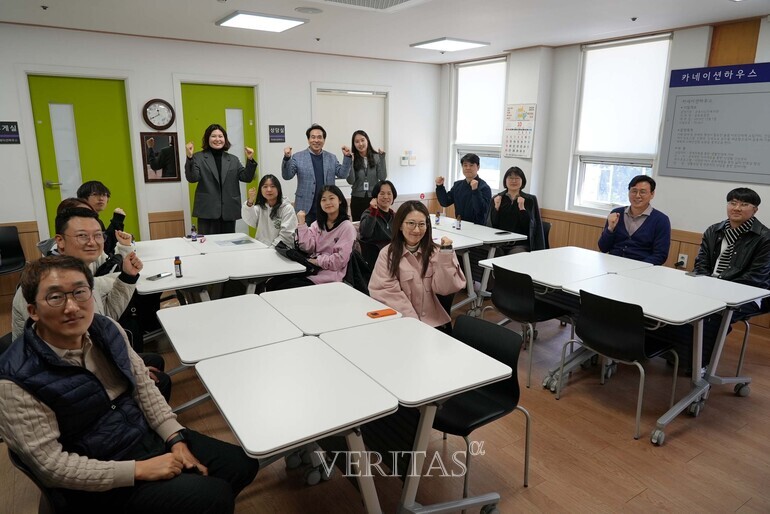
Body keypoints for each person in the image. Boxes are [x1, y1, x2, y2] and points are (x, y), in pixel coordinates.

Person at [0, 256, 259, 513]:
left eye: (80, 292)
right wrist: (138, 470)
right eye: (55, 297)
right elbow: (51, 466)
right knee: (214, 497)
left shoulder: (106, 328)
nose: (71, 306)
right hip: (98, 476)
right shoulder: (15, 379)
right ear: (33, 310)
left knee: (241, 465)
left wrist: (175, 437)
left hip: (140, 436)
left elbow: (144, 387)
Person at [658, 188, 770, 369]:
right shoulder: (714, 230)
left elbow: (755, 278)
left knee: (711, 315)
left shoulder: (765, 238)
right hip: (709, 285)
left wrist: (715, 287)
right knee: (674, 301)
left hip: (749, 293)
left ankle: (699, 366)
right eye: (733, 203)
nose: (737, 208)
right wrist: (707, 285)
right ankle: (677, 354)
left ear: (755, 210)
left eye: (744, 204)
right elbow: (701, 264)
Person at [369, 201, 466, 333]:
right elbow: (387, 292)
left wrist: (446, 255)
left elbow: (445, 289)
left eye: (421, 224)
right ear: (400, 226)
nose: (416, 230)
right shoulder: (388, 254)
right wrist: (414, 323)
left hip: (434, 325)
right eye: (411, 223)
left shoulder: (438, 252)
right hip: (401, 323)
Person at [267, 185, 356, 291]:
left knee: (285, 288)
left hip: (328, 277)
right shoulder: (317, 224)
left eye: (331, 198)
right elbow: (307, 247)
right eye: (323, 200)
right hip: (310, 269)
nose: (328, 203)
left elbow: (340, 260)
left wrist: (317, 261)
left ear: (340, 200)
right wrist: (302, 224)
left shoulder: (347, 227)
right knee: (272, 282)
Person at [185, 123, 257, 235]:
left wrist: (250, 159)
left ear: (225, 139)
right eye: (213, 136)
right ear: (207, 138)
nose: (217, 139)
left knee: (227, 246)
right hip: (207, 211)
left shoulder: (233, 159)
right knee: (208, 246)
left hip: (228, 210)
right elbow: (192, 178)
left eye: (220, 136)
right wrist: (189, 157)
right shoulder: (198, 157)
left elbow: (246, 177)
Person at [282, 124, 352, 225]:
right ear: (308, 139)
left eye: (319, 137)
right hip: (305, 208)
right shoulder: (298, 157)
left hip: (327, 206)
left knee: (326, 237)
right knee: (305, 237)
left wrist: (347, 157)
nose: (316, 140)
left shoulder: (331, 157)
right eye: (313, 137)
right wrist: (287, 158)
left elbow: (343, 174)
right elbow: (287, 176)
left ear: (324, 140)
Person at [597, 175, 671, 265]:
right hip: (612, 264)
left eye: (642, 192)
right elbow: (603, 248)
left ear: (652, 194)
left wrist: (637, 268)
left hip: (642, 269)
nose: (637, 196)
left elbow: (660, 255)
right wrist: (610, 229)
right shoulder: (616, 213)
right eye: (634, 191)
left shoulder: (661, 220)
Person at [489, 166, 546, 253]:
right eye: (510, 178)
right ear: (505, 181)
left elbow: (531, 227)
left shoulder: (530, 199)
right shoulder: (497, 198)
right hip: (499, 243)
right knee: (491, 254)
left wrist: (522, 208)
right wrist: (496, 207)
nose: (514, 181)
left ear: (522, 181)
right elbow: (493, 224)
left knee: (515, 256)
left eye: (517, 178)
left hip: (520, 244)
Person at [241, 174, 297, 247]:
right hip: (261, 249)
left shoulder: (287, 208)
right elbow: (249, 220)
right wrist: (250, 202)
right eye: (265, 186)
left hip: (280, 250)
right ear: (260, 190)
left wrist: (271, 249)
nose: (269, 190)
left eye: (273, 186)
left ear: (278, 189)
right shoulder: (260, 208)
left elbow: (287, 235)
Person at [435, 153, 491, 225]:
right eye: (465, 165)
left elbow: (481, 210)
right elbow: (445, 202)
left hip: (478, 227)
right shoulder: (457, 185)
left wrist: (475, 190)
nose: (468, 168)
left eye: (471, 165)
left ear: (478, 167)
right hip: (459, 224)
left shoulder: (484, 187)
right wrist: (440, 187)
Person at [77, 180, 127, 256]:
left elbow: (107, 243)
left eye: (104, 195)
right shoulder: (82, 220)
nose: (101, 198)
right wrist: (117, 221)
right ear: (83, 199)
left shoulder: (96, 220)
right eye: (95, 194)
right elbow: (105, 248)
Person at [347, 130, 387, 221]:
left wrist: (382, 158)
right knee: (358, 226)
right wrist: (350, 161)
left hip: (373, 198)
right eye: (357, 142)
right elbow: (351, 181)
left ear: (367, 140)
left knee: (373, 225)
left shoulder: (376, 157)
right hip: (357, 198)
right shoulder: (352, 158)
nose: (360, 144)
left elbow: (382, 177)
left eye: (362, 140)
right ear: (354, 144)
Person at [358, 180, 397, 268]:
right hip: (376, 259)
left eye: (389, 193)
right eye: (382, 193)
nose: (386, 197)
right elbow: (365, 234)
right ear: (375, 197)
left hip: (393, 256)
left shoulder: (395, 216)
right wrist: (374, 211)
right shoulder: (369, 213)